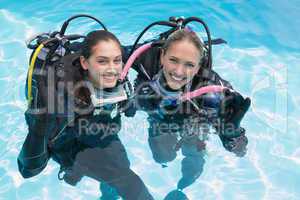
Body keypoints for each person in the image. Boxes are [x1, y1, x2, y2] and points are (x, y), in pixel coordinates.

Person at [18, 30, 154, 200]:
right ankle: (79, 173)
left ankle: (107, 194)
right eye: (102, 61)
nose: (112, 69)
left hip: (102, 134)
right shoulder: (59, 97)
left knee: (122, 168)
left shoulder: (116, 80)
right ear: (84, 62)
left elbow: (140, 53)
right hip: (71, 146)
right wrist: (40, 125)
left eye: (117, 60)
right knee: (129, 181)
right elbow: (27, 170)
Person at [128, 28, 251, 198]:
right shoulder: (147, 60)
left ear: (198, 66)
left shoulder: (212, 91)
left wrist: (232, 131)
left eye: (189, 64)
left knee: (193, 162)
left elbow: (240, 151)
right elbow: (107, 54)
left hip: (195, 121)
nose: (179, 72)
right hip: (160, 117)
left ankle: (183, 187)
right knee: (162, 157)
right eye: (173, 60)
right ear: (162, 56)